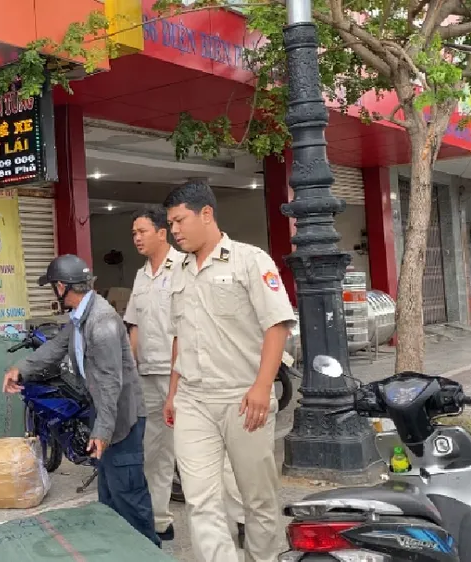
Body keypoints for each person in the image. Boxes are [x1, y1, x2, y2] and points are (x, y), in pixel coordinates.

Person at [163, 181, 296, 562]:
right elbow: (180, 336)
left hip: (243, 398)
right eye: (170, 224)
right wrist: (173, 393)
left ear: (206, 214)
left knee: (258, 499)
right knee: (201, 500)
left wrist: (262, 387)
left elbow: (277, 325)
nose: (174, 231)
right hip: (193, 400)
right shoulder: (179, 271)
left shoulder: (250, 261)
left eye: (180, 221)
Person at [2, 254, 160, 547]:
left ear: (62, 287)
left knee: (128, 495)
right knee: (109, 499)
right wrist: (20, 369)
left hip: (121, 420)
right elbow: (55, 348)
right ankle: (120, 550)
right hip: (105, 415)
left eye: (53, 286)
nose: (53, 291)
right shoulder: (79, 318)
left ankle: (149, 550)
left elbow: (112, 383)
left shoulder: (101, 323)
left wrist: (102, 431)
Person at [124, 207, 248, 546]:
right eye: (133, 233)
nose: (137, 238)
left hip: (186, 375)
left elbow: (192, 326)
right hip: (150, 375)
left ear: (161, 233)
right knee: (155, 453)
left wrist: (179, 383)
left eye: (142, 231)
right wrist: (131, 368)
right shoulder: (141, 276)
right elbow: (134, 325)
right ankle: (159, 522)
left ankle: (239, 519)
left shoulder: (185, 267)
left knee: (212, 452)